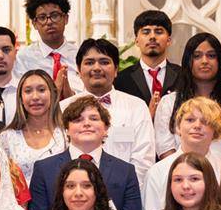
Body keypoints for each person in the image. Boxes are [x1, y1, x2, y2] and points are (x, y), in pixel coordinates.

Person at [28, 95, 143, 210]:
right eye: (78, 120)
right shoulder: (44, 169)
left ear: (106, 128)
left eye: (94, 118)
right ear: (66, 129)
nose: (87, 123)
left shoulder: (125, 171)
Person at [61, 37, 155, 189]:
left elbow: (144, 159)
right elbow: (60, 154)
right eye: (89, 62)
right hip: (74, 196)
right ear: (78, 70)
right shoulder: (63, 108)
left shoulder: (136, 107)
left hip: (123, 193)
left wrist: (123, 190)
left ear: (116, 70)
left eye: (104, 62)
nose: (97, 68)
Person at [155, 32, 221, 162]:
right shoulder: (169, 102)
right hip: (185, 176)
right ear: (188, 61)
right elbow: (166, 149)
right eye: (197, 56)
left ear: (220, 60)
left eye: (211, 55)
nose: (205, 61)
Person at [143, 97, 221, 210]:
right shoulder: (158, 171)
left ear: (216, 130)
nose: (197, 126)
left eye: (205, 122)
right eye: (190, 120)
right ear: (177, 127)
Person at [0, 68, 66, 183]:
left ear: (52, 94)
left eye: (41, 90)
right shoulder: (7, 137)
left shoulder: (66, 134)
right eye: (28, 91)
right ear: (21, 98)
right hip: (19, 201)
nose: (35, 97)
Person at [14, 0, 78, 98]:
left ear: (66, 18)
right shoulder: (23, 57)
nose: (49, 22)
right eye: (42, 18)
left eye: (54, 15)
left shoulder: (80, 55)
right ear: (34, 23)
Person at [114, 10, 178, 117]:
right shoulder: (121, 79)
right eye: (146, 32)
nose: (152, 36)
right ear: (137, 41)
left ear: (169, 40)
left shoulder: (183, 76)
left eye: (159, 31)